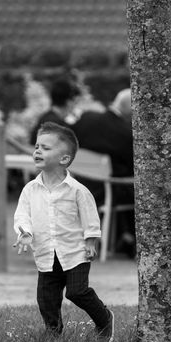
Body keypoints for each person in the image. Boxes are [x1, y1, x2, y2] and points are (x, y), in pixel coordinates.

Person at [13, 122, 115, 342]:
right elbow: (22, 216)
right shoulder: (30, 189)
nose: (38, 151)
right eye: (37, 146)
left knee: (76, 292)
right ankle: (53, 333)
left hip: (75, 252)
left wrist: (90, 243)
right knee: (46, 298)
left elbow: (90, 218)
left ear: (64, 159)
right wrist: (25, 233)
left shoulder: (78, 190)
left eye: (46, 148)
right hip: (46, 253)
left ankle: (104, 319)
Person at [71, 88, 136, 257]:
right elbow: (132, 167)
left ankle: (122, 239)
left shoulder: (86, 119)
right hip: (108, 191)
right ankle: (128, 241)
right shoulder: (126, 133)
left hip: (79, 183)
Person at [29, 77, 80, 144]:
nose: (75, 106)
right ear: (68, 102)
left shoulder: (45, 118)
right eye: (75, 102)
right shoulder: (59, 126)